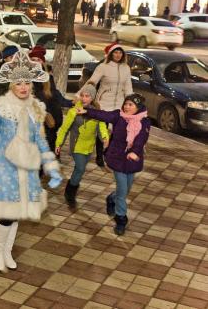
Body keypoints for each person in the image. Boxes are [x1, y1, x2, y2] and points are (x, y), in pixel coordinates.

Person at [0, 52, 62, 272]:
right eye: (18, 83)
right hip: (5, 169)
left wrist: (51, 167)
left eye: (27, 82)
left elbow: (41, 140)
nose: (23, 87)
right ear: (11, 85)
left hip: (27, 168)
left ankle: (7, 250)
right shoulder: (0, 108)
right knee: (7, 213)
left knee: (18, 213)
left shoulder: (35, 107)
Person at [76, 94, 150, 235]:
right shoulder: (118, 116)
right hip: (117, 158)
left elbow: (141, 138)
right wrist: (87, 111)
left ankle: (111, 198)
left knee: (126, 190)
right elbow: (103, 115)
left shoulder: (144, 121)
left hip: (132, 159)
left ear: (138, 107)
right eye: (126, 104)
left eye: (131, 105)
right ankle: (121, 219)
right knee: (122, 192)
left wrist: (135, 151)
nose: (126, 107)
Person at [55, 85, 109, 209]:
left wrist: (105, 138)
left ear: (93, 97)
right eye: (82, 95)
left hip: (89, 147)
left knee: (80, 170)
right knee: (79, 168)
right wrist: (58, 144)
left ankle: (70, 188)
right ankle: (70, 195)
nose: (84, 98)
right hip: (76, 146)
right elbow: (64, 129)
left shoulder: (97, 112)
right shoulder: (73, 111)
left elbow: (102, 128)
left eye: (87, 96)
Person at [84, 42, 133, 167]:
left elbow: (128, 87)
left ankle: (108, 153)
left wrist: (131, 104)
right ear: (111, 54)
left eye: (120, 52)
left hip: (119, 105)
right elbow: (92, 81)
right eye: (115, 52)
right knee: (102, 130)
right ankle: (99, 155)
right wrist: (83, 95)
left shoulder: (126, 68)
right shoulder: (103, 67)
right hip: (104, 103)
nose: (118, 55)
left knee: (117, 132)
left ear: (123, 54)